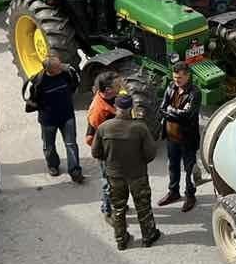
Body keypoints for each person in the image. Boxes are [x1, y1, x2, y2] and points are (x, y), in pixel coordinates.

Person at [92, 93, 162, 250]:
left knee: (118, 208)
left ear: (116, 108)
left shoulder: (104, 128)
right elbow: (151, 153)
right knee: (143, 206)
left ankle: (121, 239)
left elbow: (96, 153)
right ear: (131, 108)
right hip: (137, 174)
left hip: (114, 175)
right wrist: (140, 162)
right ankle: (148, 236)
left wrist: (110, 160)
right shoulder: (140, 128)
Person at [24, 53, 82, 183]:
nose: (62, 67)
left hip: (67, 116)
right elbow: (30, 100)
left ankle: (75, 171)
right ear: (50, 70)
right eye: (58, 66)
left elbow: (75, 85)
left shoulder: (67, 73)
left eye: (60, 64)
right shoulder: (38, 82)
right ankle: (53, 165)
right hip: (48, 120)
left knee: (71, 144)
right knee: (49, 145)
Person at [158, 62, 200, 212]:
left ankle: (190, 195)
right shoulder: (170, 87)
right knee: (173, 167)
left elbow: (188, 116)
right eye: (175, 77)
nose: (177, 81)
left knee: (189, 169)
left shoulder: (195, 93)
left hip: (187, 140)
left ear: (188, 76)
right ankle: (173, 192)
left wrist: (170, 111)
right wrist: (175, 112)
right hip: (171, 138)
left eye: (180, 78)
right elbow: (162, 109)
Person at [85, 70, 120, 225]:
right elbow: (94, 138)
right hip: (107, 152)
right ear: (108, 90)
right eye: (118, 85)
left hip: (114, 148)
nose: (121, 86)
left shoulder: (110, 98)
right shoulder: (99, 111)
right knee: (109, 183)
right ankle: (107, 210)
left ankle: (115, 204)